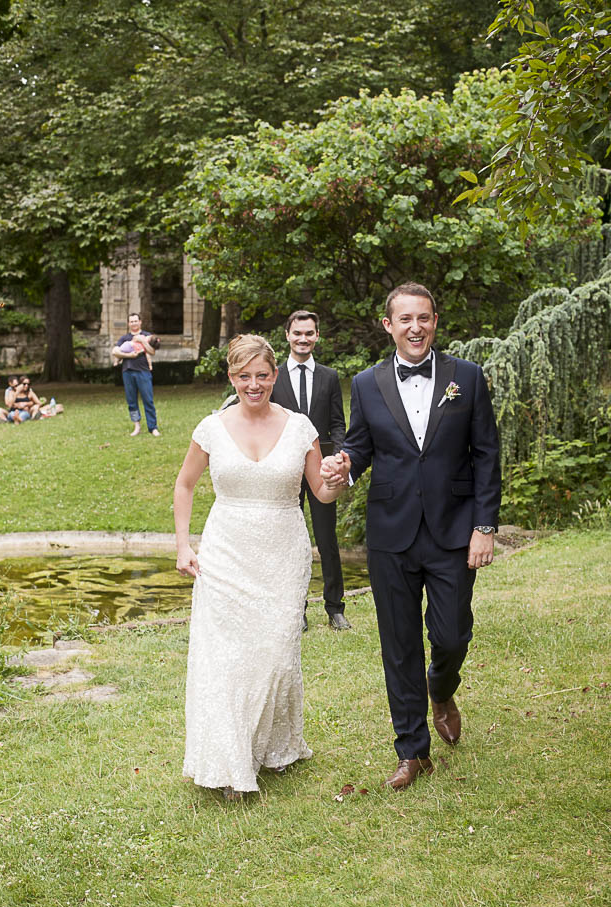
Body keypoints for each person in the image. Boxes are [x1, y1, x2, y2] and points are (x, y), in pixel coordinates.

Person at [322, 282, 501, 790]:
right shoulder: (366, 383)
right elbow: (358, 447)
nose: (415, 327)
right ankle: (412, 751)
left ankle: (441, 689)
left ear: (436, 321)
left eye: (424, 318)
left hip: (453, 532)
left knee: (451, 635)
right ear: (388, 325)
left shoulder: (466, 377)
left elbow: (486, 453)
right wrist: (345, 467)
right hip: (391, 534)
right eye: (405, 319)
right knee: (398, 645)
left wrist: (484, 527)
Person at [174, 334, 346, 800]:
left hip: (282, 554)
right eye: (244, 376)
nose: (254, 385)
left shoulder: (300, 428)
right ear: (232, 377)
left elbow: (321, 493)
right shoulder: (210, 427)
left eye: (262, 375)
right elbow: (185, 485)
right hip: (225, 553)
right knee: (228, 659)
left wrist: (338, 478)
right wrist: (184, 545)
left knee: (274, 654)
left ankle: (273, 745)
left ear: (275, 376)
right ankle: (233, 761)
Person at [271, 310, 351, 631]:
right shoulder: (274, 377)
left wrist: (339, 457)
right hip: (285, 470)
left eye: (309, 333)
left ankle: (335, 608)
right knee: (289, 541)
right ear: (287, 336)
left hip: (321, 468)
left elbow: (337, 424)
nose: (303, 339)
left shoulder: (330, 377)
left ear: (317, 336)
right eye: (297, 333)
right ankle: (296, 609)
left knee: (326, 538)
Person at [111, 313, 161, 437]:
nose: (133, 323)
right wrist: (129, 356)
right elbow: (115, 351)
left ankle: (153, 427)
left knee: (148, 400)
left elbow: (152, 351)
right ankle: (136, 426)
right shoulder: (124, 338)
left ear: (140, 322)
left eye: (135, 321)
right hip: (127, 372)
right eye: (131, 321)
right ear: (129, 324)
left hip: (143, 371)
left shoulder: (148, 336)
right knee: (131, 401)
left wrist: (142, 341)